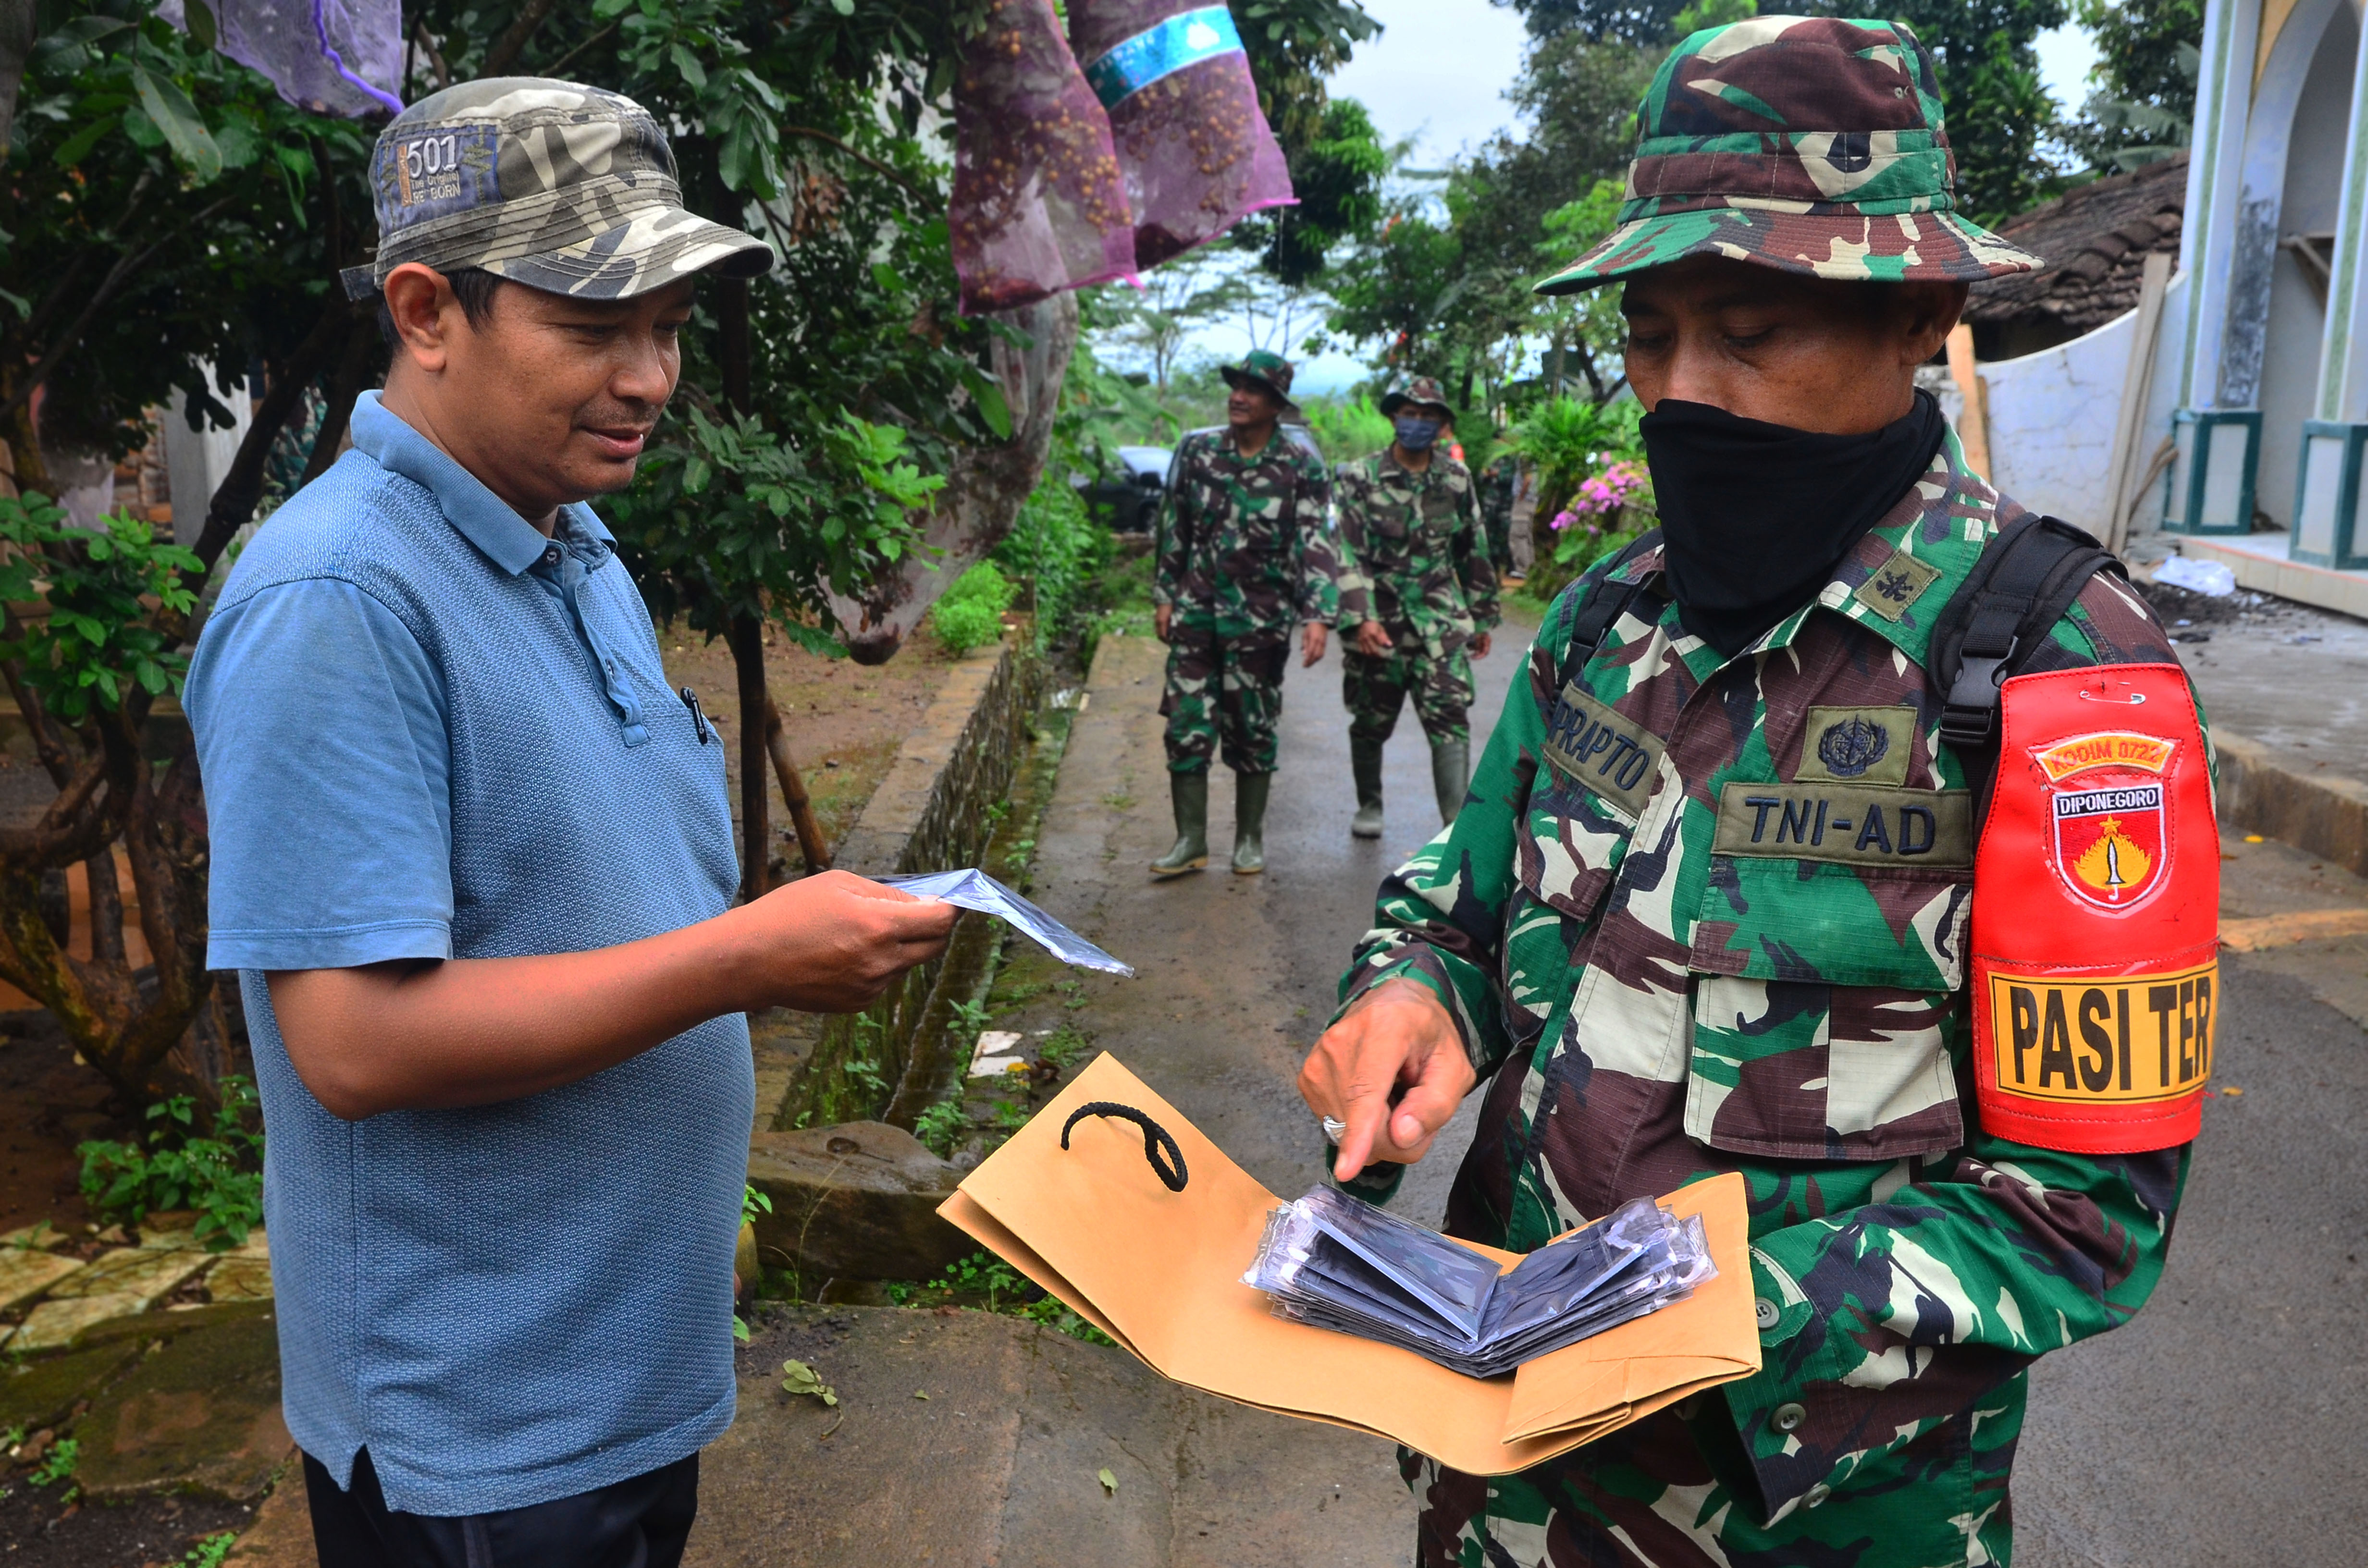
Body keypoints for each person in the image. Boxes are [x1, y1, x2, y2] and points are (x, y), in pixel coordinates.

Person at [1296, 18, 2208, 1566]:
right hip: (1501, 1472)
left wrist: (1717, 1313)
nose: (1682, 395)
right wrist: (1411, 996)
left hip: (1825, 1517)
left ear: (1917, 312)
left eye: (1747, 332)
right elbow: (1453, 909)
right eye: (1649, 337)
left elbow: (2083, 1205)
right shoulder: (1603, 621)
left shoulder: (2057, 672)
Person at [184, 80, 958, 1567]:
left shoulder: (563, 537)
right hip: (478, 1430)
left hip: (618, 1371)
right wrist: (743, 959)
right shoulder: (339, 598)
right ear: (426, 311)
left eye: (665, 328)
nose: (649, 376)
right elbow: (353, 1039)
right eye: (596, 327)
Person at [1150, 350, 1344, 876]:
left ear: (1275, 404)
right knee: (1186, 726)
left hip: (1258, 622)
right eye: (1236, 386)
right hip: (1194, 614)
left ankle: (1248, 840)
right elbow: (1176, 529)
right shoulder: (1199, 453)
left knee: (1252, 727)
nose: (1238, 396)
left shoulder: (1298, 463)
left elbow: (1315, 541)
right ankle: (1190, 839)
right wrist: (1165, 595)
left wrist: (1318, 615)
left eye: (1252, 390)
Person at [1333, 375, 1500, 837]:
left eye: (1429, 417)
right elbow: (1345, 551)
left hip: (1440, 622)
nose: (1417, 424)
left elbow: (1473, 548)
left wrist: (1482, 615)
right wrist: (1360, 616)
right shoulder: (1359, 477)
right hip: (1378, 623)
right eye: (1410, 414)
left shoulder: (1455, 478)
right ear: (1393, 417)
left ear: (1443, 426)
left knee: (1450, 716)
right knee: (1370, 721)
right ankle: (1370, 805)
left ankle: (1454, 823)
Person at [1478, 451, 1520, 577]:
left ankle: (1512, 566)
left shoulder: (1512, 460)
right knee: (1490, 535)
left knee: (1508, 534)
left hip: (1505, 504)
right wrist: (1487, 475)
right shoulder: (1491, 459)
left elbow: (1513, 480)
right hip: (1491, 504)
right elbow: (1481, 478)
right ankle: (1493, 566)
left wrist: (1498, 474)